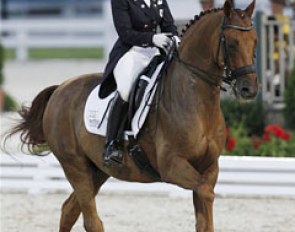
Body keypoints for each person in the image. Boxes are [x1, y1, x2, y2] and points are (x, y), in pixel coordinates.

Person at [100, 0, 180, 166]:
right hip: (131, 52)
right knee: (126, 89)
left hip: (156, 51)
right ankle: (112, 143)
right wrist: (151, 38)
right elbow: (125, 33)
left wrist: (175, 38)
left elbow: (169, 26)